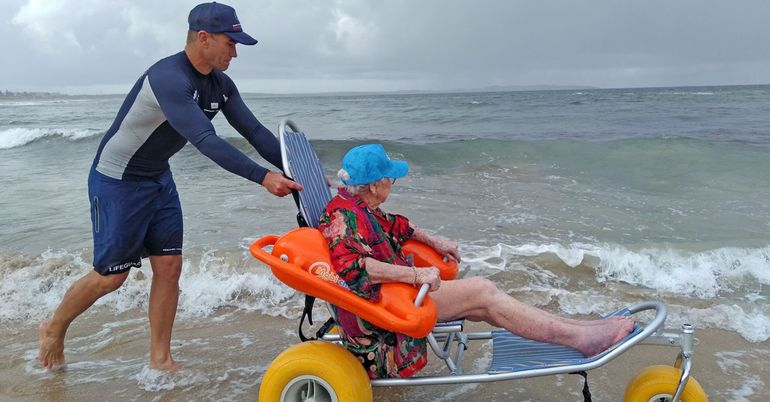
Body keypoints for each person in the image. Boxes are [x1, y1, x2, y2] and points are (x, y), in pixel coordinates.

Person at [38, 2, 302, 371]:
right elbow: (205, 140)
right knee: (111, 277)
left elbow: (256, 133)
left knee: (170, 266)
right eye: (231, 42)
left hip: (157, 178)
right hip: (118, 180)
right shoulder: (168, 78)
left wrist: (302, 169)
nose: (236, 52)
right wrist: (262, 177)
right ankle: (54, 328)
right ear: (204, 38)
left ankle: (160, 359)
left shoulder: (220, 85)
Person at [317, 144, 634, 379]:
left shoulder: (358, 206)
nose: (392, 184)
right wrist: (416, 275)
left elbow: (398, 226)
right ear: (374, 185)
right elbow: (355, 267)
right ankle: (581, 338)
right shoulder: (346, 218)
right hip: (387, 309)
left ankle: (584, 331)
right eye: (390, 179)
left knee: (485, 302)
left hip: (396, 296)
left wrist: (435, 241)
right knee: (483, 292)